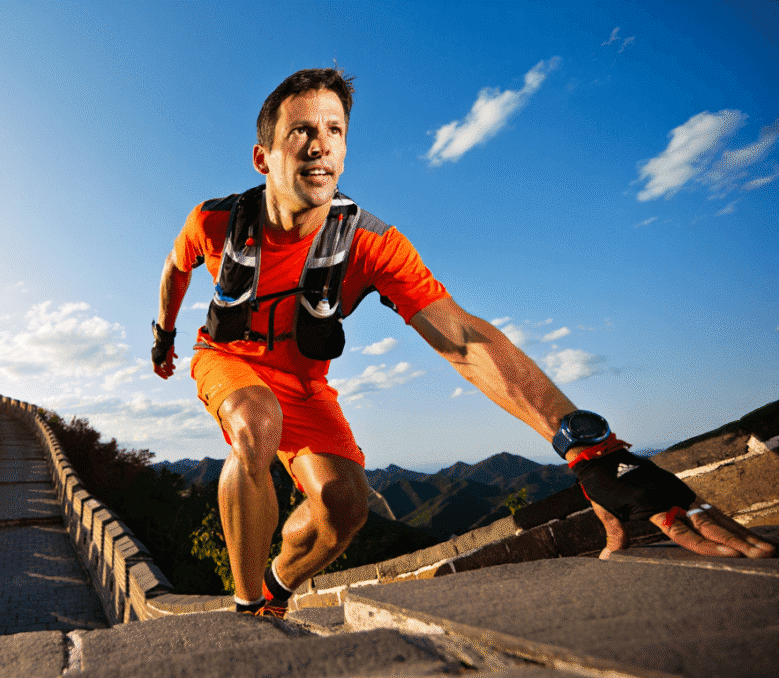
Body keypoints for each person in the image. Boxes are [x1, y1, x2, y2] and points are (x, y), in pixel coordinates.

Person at [152, 67, 773, 618]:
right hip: (230, 362)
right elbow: (175, 271)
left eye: (334, 130)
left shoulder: (370, 244)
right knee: (254, 426)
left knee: (346, 509)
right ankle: (247, 608)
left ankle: (277, 583)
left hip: (307, 382)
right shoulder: (213, 221)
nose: (320, 145)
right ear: (263, 157)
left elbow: (464, 340)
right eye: (300, 132)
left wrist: (589, 447)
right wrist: (165, 335)